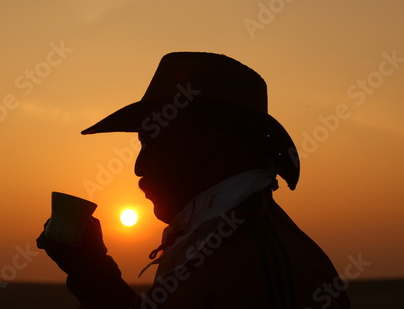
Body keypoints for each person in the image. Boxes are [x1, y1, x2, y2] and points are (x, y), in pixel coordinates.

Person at [37, 52, 351, 308]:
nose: (138, 166)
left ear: (212, 147)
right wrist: (91, 269)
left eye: (154, 143)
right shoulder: (212, 241)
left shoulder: (266, 272)